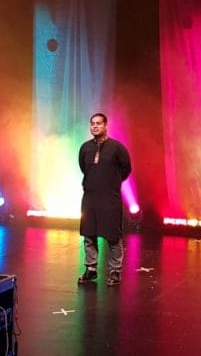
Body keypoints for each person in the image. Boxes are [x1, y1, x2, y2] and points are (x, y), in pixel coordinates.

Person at [77, 113, 132, 286]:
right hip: (90, 197)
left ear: (106, 126)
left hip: (110, 198)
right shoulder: (85, 147)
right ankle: (91, 269)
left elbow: (126, 169)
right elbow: (84, 167)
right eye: (92, 123)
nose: (95, 126)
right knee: (89, 234)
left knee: (112, 235)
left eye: (99, 123)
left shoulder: (117, 148)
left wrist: (111, 183)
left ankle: (115, 271)